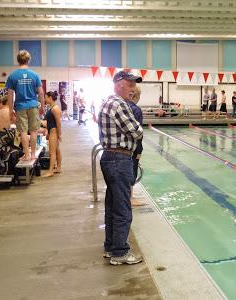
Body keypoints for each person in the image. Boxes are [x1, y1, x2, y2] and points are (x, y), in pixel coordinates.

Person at [98, 71, 143, 266]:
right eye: (130, 84)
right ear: (118, 84)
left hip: (109, 156)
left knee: (112, 205)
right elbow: (136, 131)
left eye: (134, 85)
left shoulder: (107, 102)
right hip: (120, 158)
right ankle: (120, 252)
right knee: (123, 207)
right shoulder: (119, 104)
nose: (133, 89)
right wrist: (139, 130)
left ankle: (110, 247)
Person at [6, 50, 45, 161]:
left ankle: (26, 155)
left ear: (18, 60)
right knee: (34, 131)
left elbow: (10, 94)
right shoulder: (34, 75)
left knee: (23, 131)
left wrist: (10, 109)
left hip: (20, 106)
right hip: (33, 105)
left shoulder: (13, 75)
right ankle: (33, 154)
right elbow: (41, 92)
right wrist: (42, 106)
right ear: (28, 60)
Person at [128, 85, 145, 207]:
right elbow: (138, 132)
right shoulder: (136, 110)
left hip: (124, 147)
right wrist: (139, 150)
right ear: (137, 96)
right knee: (132, 170)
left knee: (128, 170)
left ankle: (129, 196)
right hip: (134, 147)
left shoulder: (123, 106)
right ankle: (130, 198)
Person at [41, 91, 62, 177]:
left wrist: (59, 134)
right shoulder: (52, 107)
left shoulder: (55, 108)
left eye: (46, 97)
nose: (45, 99)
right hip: (51, 131)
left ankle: (50, 171)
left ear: (50, 97)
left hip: (54, 131)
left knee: (52, 152)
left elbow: (58, 123)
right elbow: (49, 122)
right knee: (56, 150)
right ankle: (59, 168)